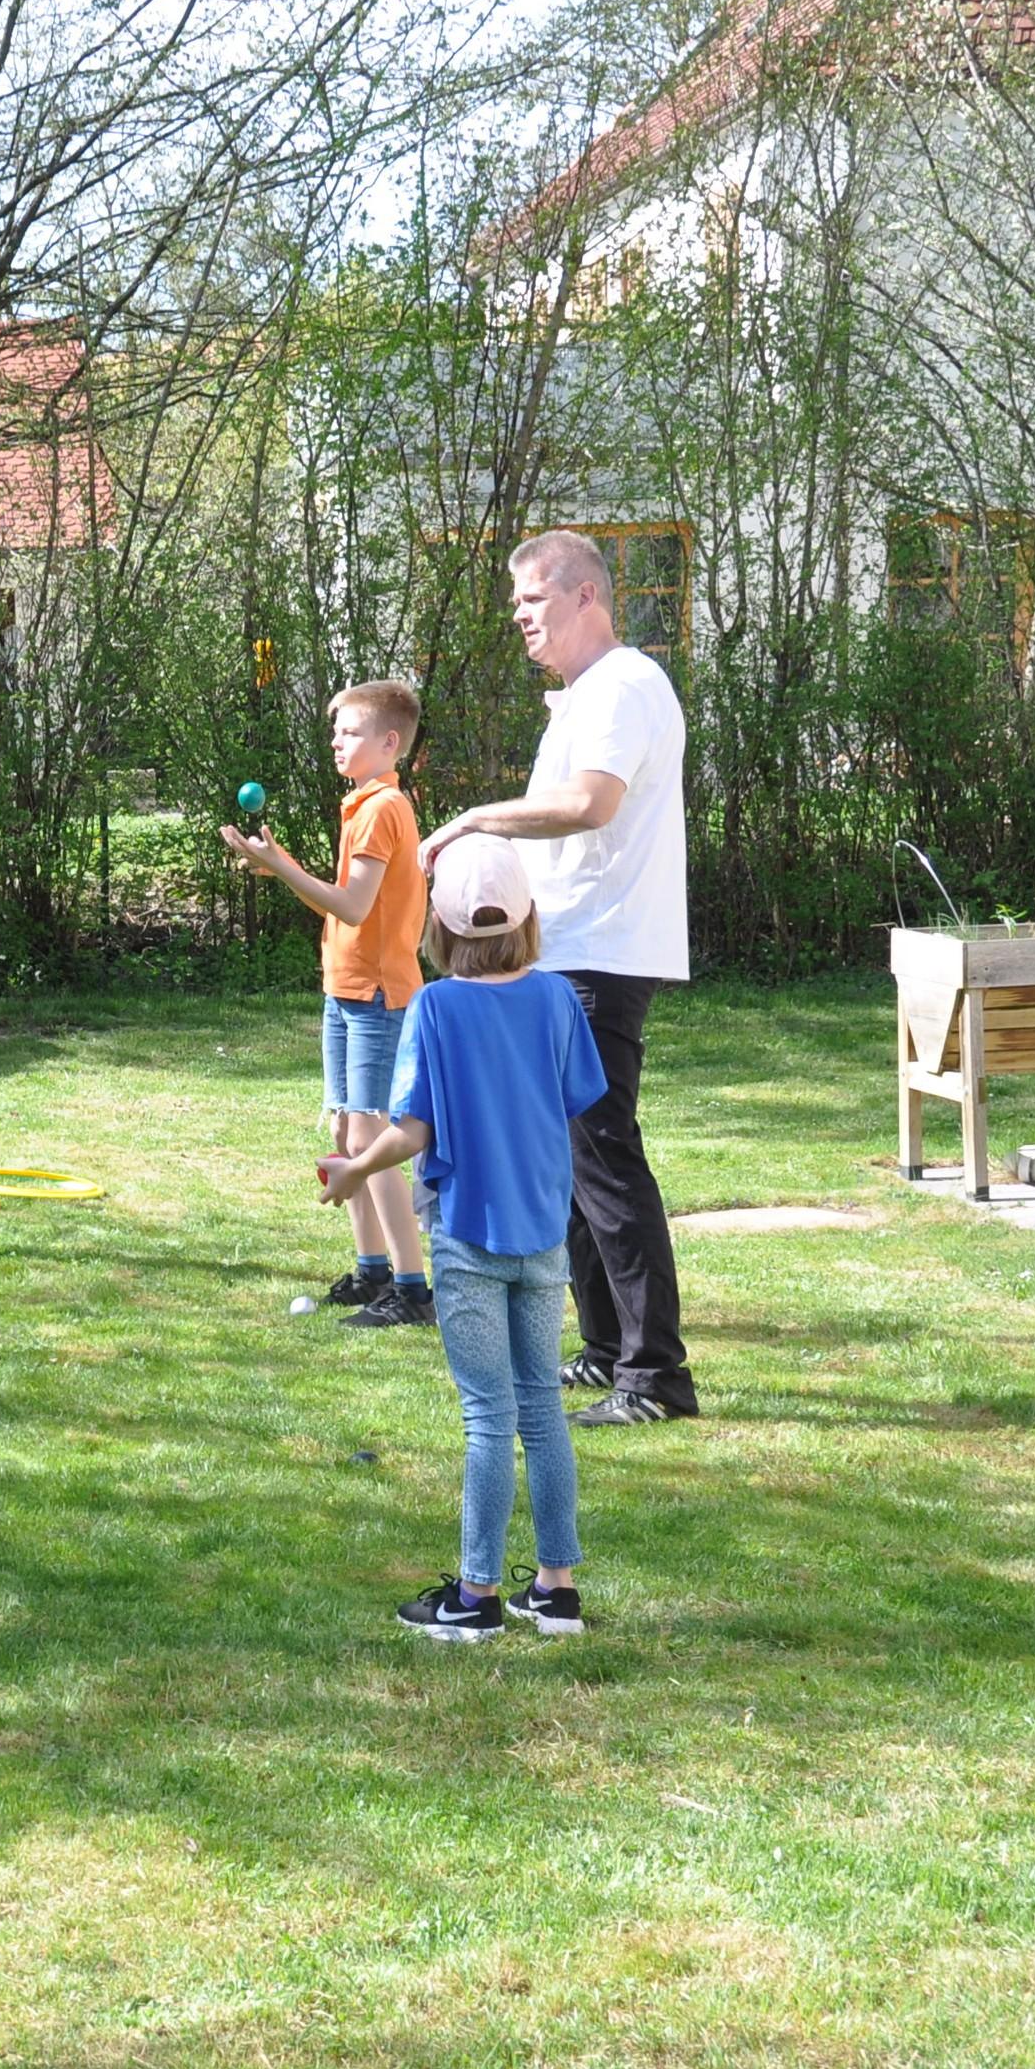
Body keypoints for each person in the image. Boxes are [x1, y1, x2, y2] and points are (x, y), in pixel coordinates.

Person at [419, 529, 698, 1424]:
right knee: (573, 1161)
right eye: (516, 604)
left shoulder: (624, 684)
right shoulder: (583, 696)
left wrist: (475, 820)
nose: (519, 617)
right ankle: (608, 1345)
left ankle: (656, 1378)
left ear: (586, 597)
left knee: (604, 1158)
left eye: (532, 601)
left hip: (601, 956)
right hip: (567, 950)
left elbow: (590, 805)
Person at [321, 837, 606, 1641]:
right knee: (540, 1408)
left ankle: (476, 1599)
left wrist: (350, 1171)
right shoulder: (556, 999)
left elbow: (412, 1129)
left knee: (488, 1417)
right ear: (527, 916)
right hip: (543, 1236)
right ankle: (556, 1590)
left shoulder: (438, 1008)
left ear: (436, 926)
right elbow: (579, 1094)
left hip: (470, 1240)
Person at [220, 678, 436, 1329]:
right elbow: (346, 903)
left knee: (372, 1136)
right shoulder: (362, 803)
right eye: (335, 731)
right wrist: (277, 866)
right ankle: (373, 1268)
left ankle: (412, 1286)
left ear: (389, 742)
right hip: (344, 991)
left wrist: (280, 864)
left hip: (377, 994)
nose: (337, 742)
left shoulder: (381, 809)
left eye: (350, 732)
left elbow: (352, 904)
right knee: (347, 1129)